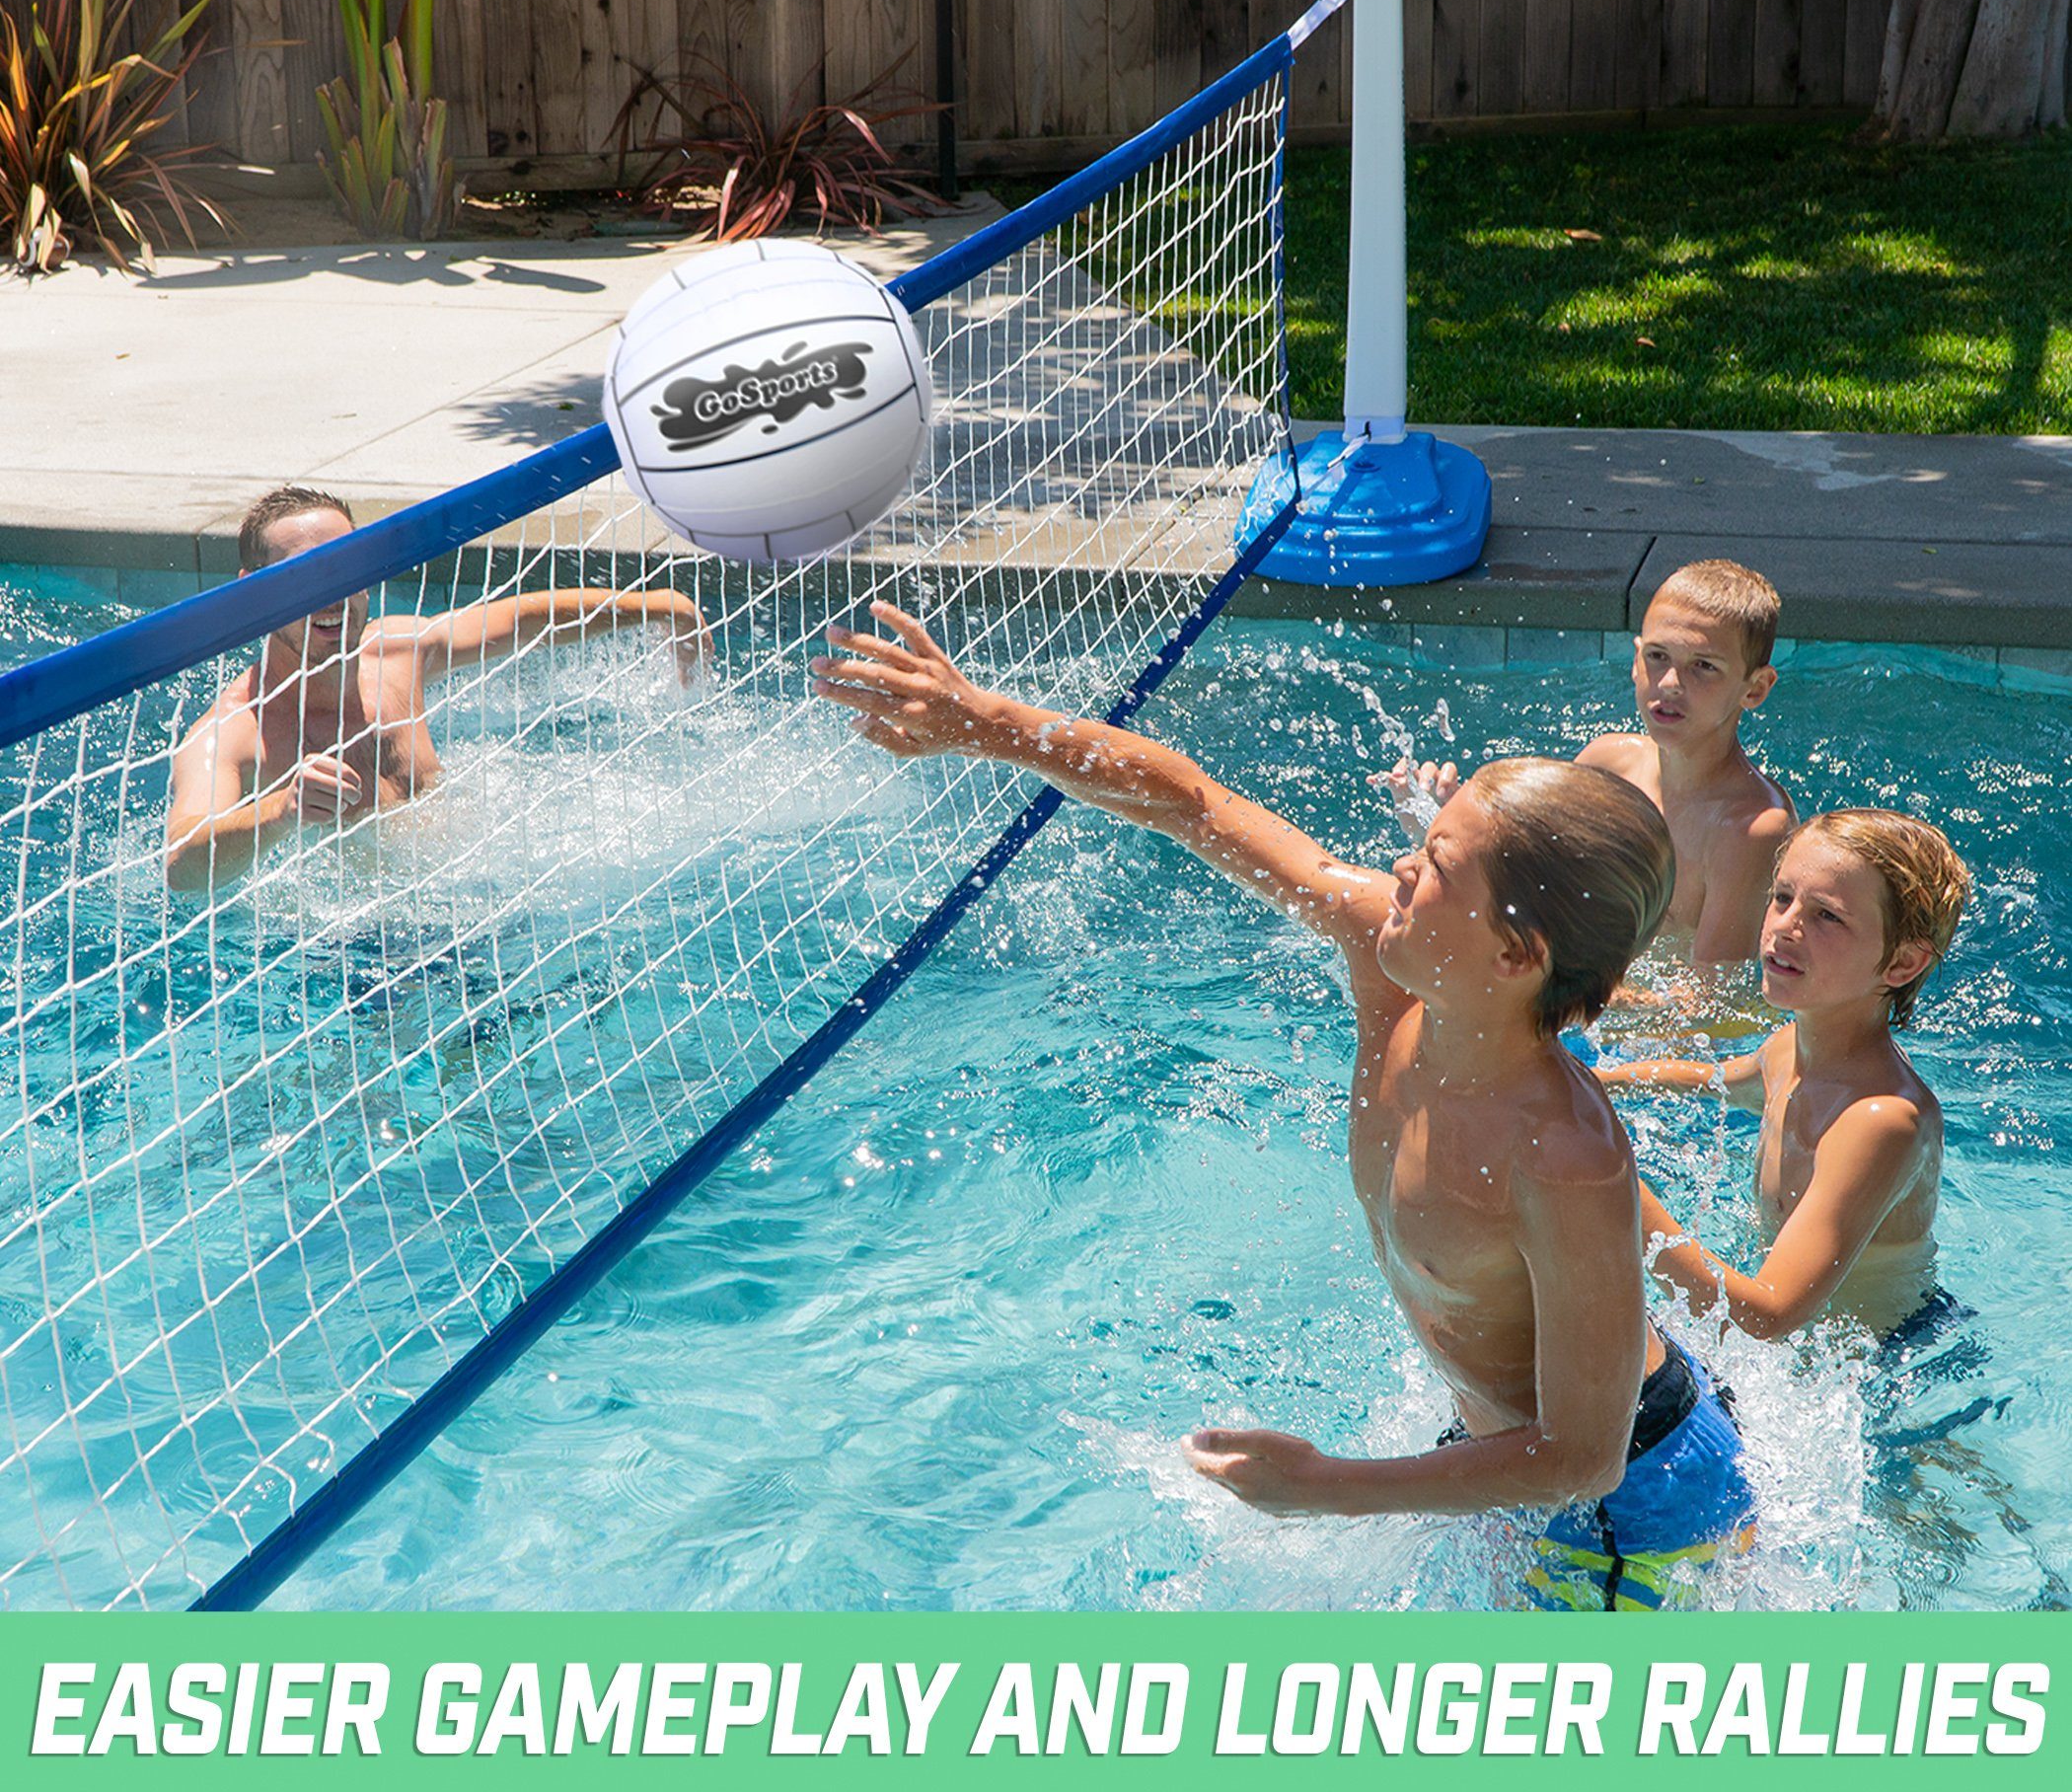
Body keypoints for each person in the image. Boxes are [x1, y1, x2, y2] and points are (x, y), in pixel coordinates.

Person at [812, 603, 1755, 1611]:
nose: (1398, 868)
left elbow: (1580, 1460)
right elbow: (1196, 805)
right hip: (1516, 1452)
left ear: (1516, 955)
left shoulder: (1563, 1158)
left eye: (1436, 867)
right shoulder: (1390, 964)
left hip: (1630, 1513)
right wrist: (983, 723)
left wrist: (1333, 1489)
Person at [164, 485, 707, 893]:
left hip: (476, 896)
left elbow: (523, 621)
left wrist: (659, 606)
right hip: (358, 953)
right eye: (301, 576)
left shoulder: (396, 655)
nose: (330, 597)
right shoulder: (234, 731)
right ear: (249, 593)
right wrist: (282, 810)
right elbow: (182, 865)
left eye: (343, 569)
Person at [1597, 809, 1970, 1344]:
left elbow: (1769, 1315)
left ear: (1903, 964)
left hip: (1886, 1365)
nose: (1785, 927)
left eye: (1827, 917)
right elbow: (1715, 1079)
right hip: (1802, 1348)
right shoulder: (1787, 1049)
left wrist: (1612, 1187)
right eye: (1782, 898)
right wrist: (1593, 1081)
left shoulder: (1881, 1121)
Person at [1387, 560, 1797, 968]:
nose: (1670, 683)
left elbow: (1708, 1007)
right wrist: (1444, 839)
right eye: (1658, 656)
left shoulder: (1749, 830)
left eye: (1704, 666)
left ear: (1755, 688)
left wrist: (1558, 980)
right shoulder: (1608, 764)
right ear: (1636, 662)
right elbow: (1531, 882)